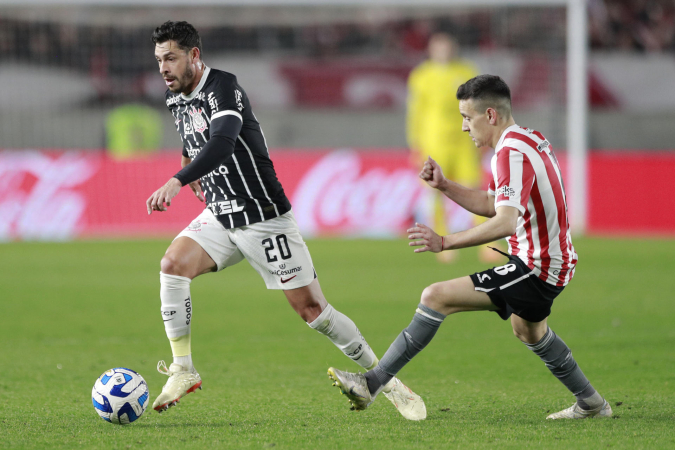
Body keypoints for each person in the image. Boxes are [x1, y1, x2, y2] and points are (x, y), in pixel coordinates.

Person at [145, 21, 425, 420]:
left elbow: (223, 141)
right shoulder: (176, 98)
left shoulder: (224, 87)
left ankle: (387, 381)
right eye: (158, 60)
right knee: (172, 265)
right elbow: (194, 142)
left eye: (170, 58)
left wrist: (178, 180)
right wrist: (191, 168)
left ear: (194, 55)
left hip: (263, 217)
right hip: (222, 213)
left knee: (314, 311)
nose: (163, 68)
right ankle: (183, 369)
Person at [327, 75, 612, 420]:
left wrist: (446, 241)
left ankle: (370, 384)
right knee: (529, 330)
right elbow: (493, 204)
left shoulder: (508, 154)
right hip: (549, 261)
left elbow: (505, 222)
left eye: (467, 117)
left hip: (537, 266)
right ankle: (592, 404)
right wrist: (445, 186)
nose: (463, 127)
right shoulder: (526, 140)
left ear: (490, 115)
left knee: (436, 296)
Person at [406, 32, 500, 263]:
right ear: (430, 50)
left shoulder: (466, 71)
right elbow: (415, 113)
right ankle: (442, 241)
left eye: (447, 47)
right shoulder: (422, 76)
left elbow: (479, 107)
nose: (443, 51)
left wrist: (485, 135)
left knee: (474, 189)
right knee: (435, 192)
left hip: (464, 140)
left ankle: (488, 242)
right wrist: (415, 144)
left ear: (454, 48)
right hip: (434, 140)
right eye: (438, 47)